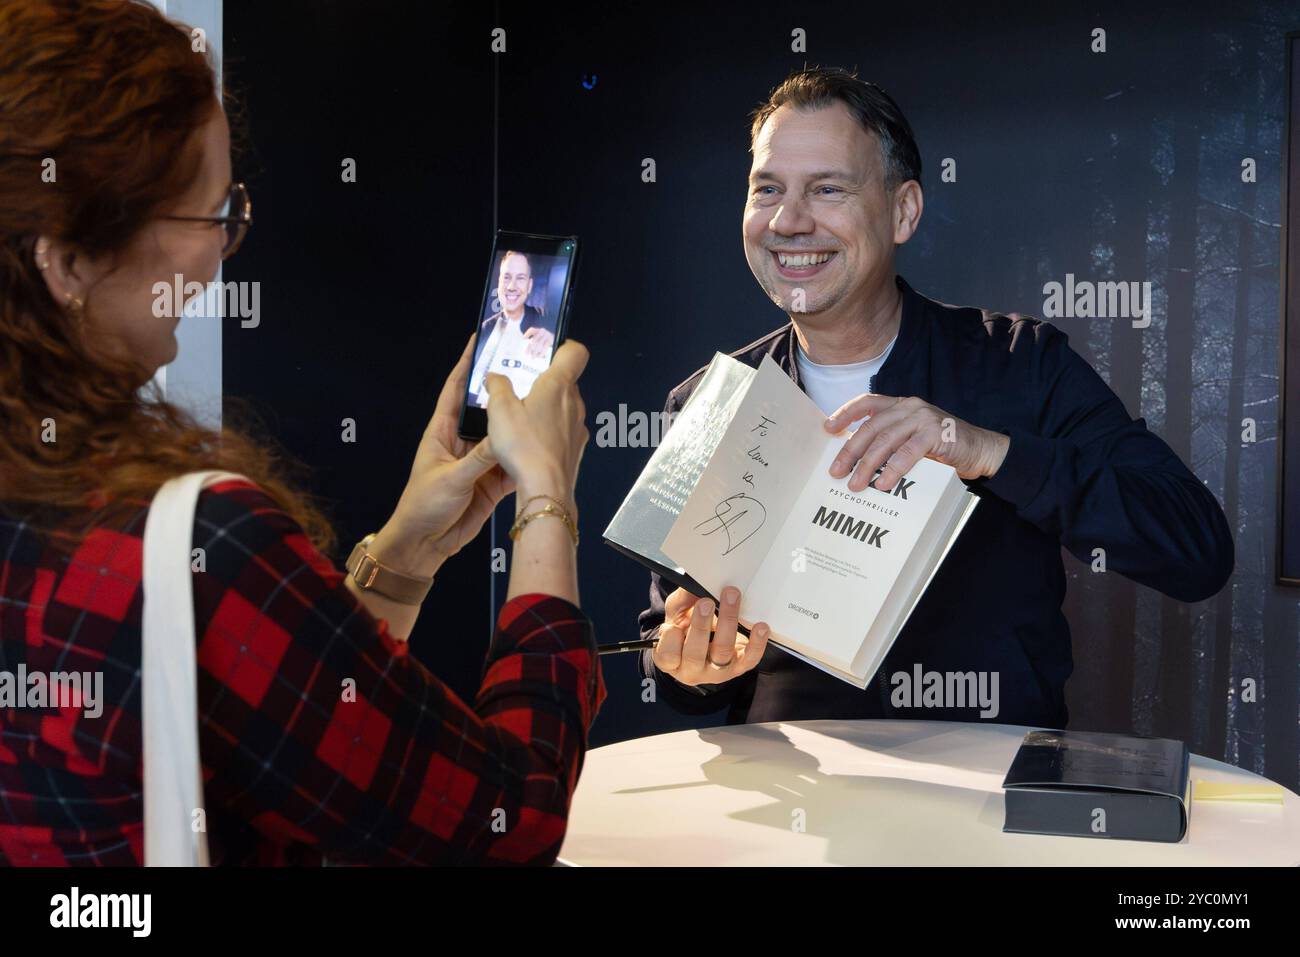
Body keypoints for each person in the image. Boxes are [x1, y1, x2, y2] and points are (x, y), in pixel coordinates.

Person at [0, 0, 600, 866]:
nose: (221, 254)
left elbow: (273, 714)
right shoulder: (204, 540)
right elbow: (511, 820)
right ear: (69, 260)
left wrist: (400, 557)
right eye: (210, 217)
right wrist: (547, 497)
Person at [638, 66, 1234, 729]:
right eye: (767, 189)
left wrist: (985, 451)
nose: (788, 220)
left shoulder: (1022, 364)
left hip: (989, 798)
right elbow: (679, 657)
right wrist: (687, 663)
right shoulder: (708, 403)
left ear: (904, 211)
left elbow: (1197, 550)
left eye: (827, 189)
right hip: (795, 801)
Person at [467, 250, 556, 408]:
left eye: (520, 278)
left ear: (529, 285)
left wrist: (554, 342)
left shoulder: (546, 319)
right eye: (506, 277)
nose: (511, 286)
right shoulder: (485, 328)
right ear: (499, 282)